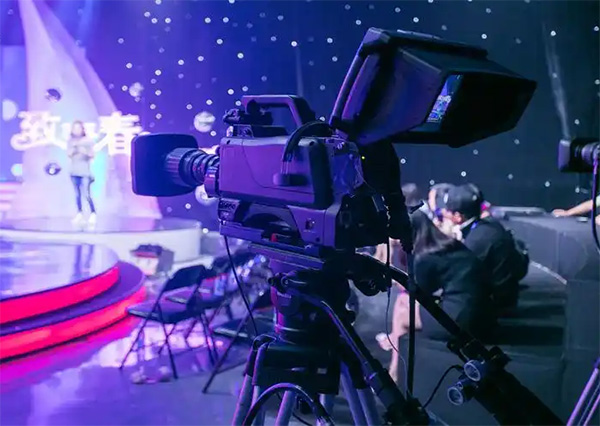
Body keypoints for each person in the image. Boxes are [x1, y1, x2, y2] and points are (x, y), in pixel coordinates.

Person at [377, 209, 495, 382]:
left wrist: (396, 254)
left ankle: (395, 371)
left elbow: (417, 291)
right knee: (403, 301)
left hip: (461, 318)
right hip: (483, 311)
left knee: (403, 314)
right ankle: (394, 342)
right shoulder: (447, 245)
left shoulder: (426, 257)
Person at [443, 184, 529, 310]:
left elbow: (456, 276)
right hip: (504, 298)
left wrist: (447, 238)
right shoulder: (489, 227)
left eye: (446, 211)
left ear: (457, 217)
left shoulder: (476, 239)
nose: (444, 214)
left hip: (493, 307)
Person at [67, 121, 96, 223]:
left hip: (85, 172)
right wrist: (75, 148)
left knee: (87, 194)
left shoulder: (88, 141)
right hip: (74, 171)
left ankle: (93, 213)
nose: (76, 130)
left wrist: (83, 150)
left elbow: (92, 155)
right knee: (77, 194)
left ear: (82, 129)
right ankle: (79, 213)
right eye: (74, 128)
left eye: (78, 128)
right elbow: (69, 154)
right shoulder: (71, 141)